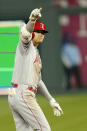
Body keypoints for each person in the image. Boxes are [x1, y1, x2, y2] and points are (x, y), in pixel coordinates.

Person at [8, 8, 63, 131]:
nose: (41, 34)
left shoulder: (36, 53)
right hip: (23, 94)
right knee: (44, 129)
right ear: (33, 33)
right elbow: (25, 34)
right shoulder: (26, 46)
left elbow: (39, 81)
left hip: (16, 94)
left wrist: (51, 100)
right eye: (38, 31)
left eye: (43, 32)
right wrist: (32, 20)